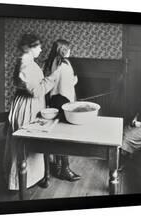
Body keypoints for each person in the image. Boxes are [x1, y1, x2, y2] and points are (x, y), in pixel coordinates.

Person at [3, 34, 58, 190]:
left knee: (31, 144)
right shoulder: (26, 65)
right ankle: (19, 182)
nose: (41, 49)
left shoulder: (27, 62)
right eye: (38, 46)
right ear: (30, 47)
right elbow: (37, 91)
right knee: (25, 144)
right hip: (27, 106)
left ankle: (33, 177)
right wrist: (53, 78)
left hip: (30, 104)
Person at [44, 39, 81, 182]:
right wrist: (75, 80)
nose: (70, 51)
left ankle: (59, 166)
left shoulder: (52, 61)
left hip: (55, 100)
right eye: (69, 48)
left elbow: (55, 82)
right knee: (64, 135)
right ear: (64, 50)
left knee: (57, 134)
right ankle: (65, 169)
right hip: (63, 100)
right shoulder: (64, 64)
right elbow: (67, 84)